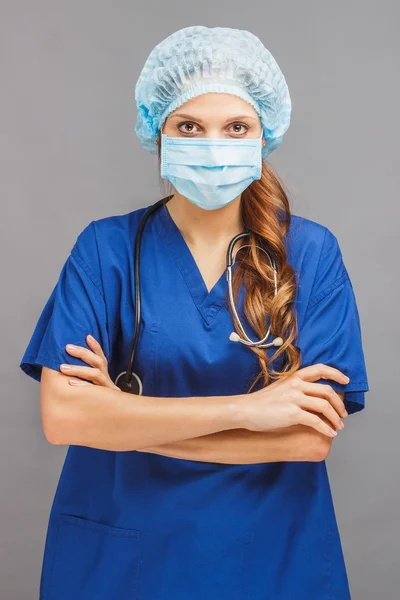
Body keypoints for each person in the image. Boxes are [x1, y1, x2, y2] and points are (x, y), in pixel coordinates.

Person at [20, 25, 369, 600]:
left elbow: (307, 440)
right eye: (189, 126)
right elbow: (64, 420)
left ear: (265, 135)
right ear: (158, 133)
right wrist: (250, 411)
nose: (213, 145)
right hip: (123, 560)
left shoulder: (308, 254)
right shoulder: (105, 249)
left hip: (269, 554)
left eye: (236, 127)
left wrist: (124, 421)